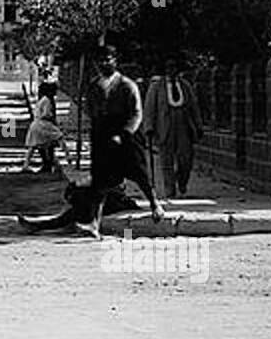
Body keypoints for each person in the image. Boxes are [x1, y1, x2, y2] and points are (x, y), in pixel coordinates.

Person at [75, 43, 164, 238]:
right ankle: (94, 224)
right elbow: (89, 110)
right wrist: (98, 130)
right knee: (99, 181)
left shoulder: (127, 85)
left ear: (115, 61)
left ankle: (154, 204)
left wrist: (124, 133)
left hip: (126, 136)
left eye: (108, 59)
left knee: (139, 173)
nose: (104, 63)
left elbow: (137, 113)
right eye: (101, 60)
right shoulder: (93, 86)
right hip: (102, 135)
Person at [143, 57, 203, 198]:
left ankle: (182, 181)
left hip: (183, 126)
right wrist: (149, 127)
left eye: (174, 68)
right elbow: (150, 108)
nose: (172, 71)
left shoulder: (185, 85)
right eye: (169, 68)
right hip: (165, 127)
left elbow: (194, 107)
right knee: (166, 161)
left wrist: (198, 126)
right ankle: (170, 190)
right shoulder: (157, 87)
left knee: (186, 159)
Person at [23, 80, 63, 174]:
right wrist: (49, 116)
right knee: (58, 137)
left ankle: (27, 164)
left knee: (35, 145)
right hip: (42, 124)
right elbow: (46, 113)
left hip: (36, 123)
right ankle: (67, 159)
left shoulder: (41, 100)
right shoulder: (47, 101)